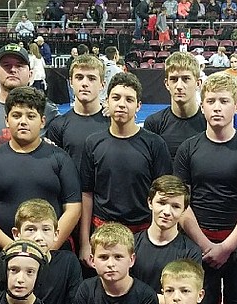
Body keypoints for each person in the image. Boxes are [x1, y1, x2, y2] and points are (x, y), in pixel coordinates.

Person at [175, 71, 237, 304]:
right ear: (202, 106)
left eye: (224, 101)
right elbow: (182, 204)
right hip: (197, 242)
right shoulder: (188, 149)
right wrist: (205, 245)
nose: (217, 107)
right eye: (211, 101)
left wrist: (226, 247)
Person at [0, 86, 81, 279]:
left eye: (31, 116)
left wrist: (48, 248)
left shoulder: (59, 159)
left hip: (51, 257)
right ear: (7, 120)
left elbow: (73, 208)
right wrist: (11, 247)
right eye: (17, 115)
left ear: (42, 121)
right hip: (6, 257)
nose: (23, 121)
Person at [80, 72, 172, 268]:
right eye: (116, 98)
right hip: (103, 231)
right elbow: (87, 193)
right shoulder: (93, 143)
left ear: (138, 105)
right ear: (107, 102)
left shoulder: (154, 144)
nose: (122, 104)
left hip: (143, 233)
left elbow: (164, 196)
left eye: (129, 99)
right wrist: (84, 242)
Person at [0, 199, 82, 304]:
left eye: (46, 229)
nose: (39, 237)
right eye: (31, 229)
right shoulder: (4, 268)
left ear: (56, 234)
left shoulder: (69, 263)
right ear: (17, 234)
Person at [46, 54, 109, 212]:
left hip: (106, 205)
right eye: (79, 77)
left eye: (91, 78)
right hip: (69, 204)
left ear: (102, 84)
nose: (85, 84)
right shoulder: (58, 125)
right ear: (71, 82)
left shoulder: (113, 122)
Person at [131, 175, 201, 304]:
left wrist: (139, 295)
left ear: (183, 211)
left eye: (175, 206)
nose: (167, 212)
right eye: (162, 203)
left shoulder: (191, 252)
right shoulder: (131, 245)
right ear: (150, 202)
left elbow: (185, 302)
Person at [143, 51, 207, 162]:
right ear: (167, 84)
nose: (179, 86)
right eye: (174, 79)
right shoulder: (154, 123)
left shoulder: (209, 122)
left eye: (186, 79)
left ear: (198, 83)